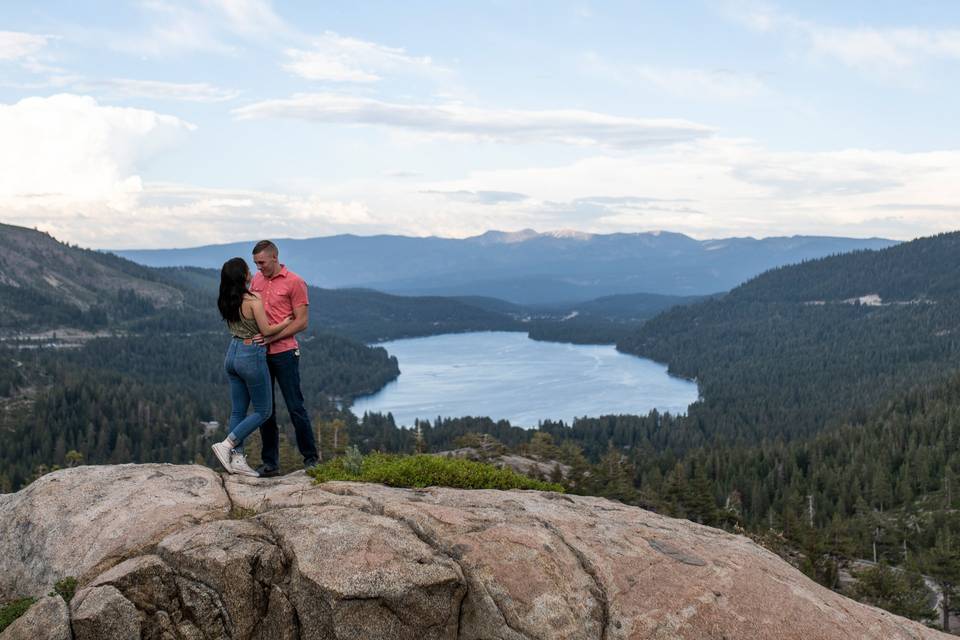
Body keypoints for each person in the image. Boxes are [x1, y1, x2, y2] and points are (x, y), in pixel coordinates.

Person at [212, 257, 293, 476]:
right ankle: (227, 445)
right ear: (243, 276)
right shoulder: (252, 300)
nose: (251, 271)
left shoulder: (226, 299)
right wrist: (286, 322)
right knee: (264, 410)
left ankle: (237, 461)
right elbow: (266, 331)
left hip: (232, 353)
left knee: (238, 410)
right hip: (251, 355)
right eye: (248, 269)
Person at [249, 240, 319, 476]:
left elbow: (302, 321)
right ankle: (270, 464)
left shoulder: (295, 282)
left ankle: (311, 459)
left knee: (295, 407)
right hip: (260, 353)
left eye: (262, 263)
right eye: (256, 263)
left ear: (275, 258)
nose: (259, 268)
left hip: (286, 353)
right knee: (265, 410)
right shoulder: (256, 280)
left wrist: (272, 338)